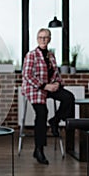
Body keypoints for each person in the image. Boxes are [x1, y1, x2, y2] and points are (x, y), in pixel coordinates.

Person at [21, 28, 75, 165]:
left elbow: (56, 74)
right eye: (40, 37)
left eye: (46, 37)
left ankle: (55, 120)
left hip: (50, 86)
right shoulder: (31, 55)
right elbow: (27, 76)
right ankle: (39, 149)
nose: (43, 40)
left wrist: (57, 83)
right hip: (35, 88)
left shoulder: (51, 56)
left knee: (69, 97)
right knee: (42, 112)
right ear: (37, 39)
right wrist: (45, 86)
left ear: (49, 39)